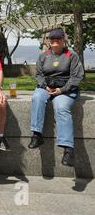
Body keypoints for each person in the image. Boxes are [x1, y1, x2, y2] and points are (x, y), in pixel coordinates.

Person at [28, 28, 84, 167]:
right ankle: (37, 134)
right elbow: (39, 75)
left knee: (61, 107)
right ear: (48, 41)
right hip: (47, 87)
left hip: (65, 90)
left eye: (58, 38)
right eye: (52, 39)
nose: (55, 41)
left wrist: (62, 90)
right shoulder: (43, 55)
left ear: (63, 40)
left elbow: (77, 76)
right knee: (37, 98)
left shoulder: (72, 55)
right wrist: (44, 86)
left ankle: (68, 149)